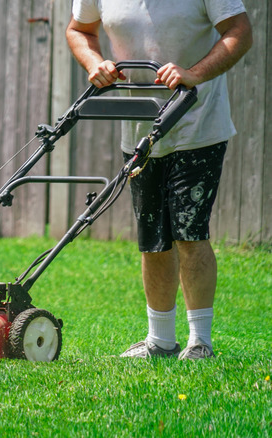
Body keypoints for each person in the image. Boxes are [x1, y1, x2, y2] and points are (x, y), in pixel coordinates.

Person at [65, 1, 253, 359]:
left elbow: (239, 31)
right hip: (140, 129)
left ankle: (200, 342)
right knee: (152, 236)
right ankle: (161, 340)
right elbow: (79, 30)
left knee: (189, 233)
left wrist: (194, 73)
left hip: (199, 125)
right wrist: (95, 64)